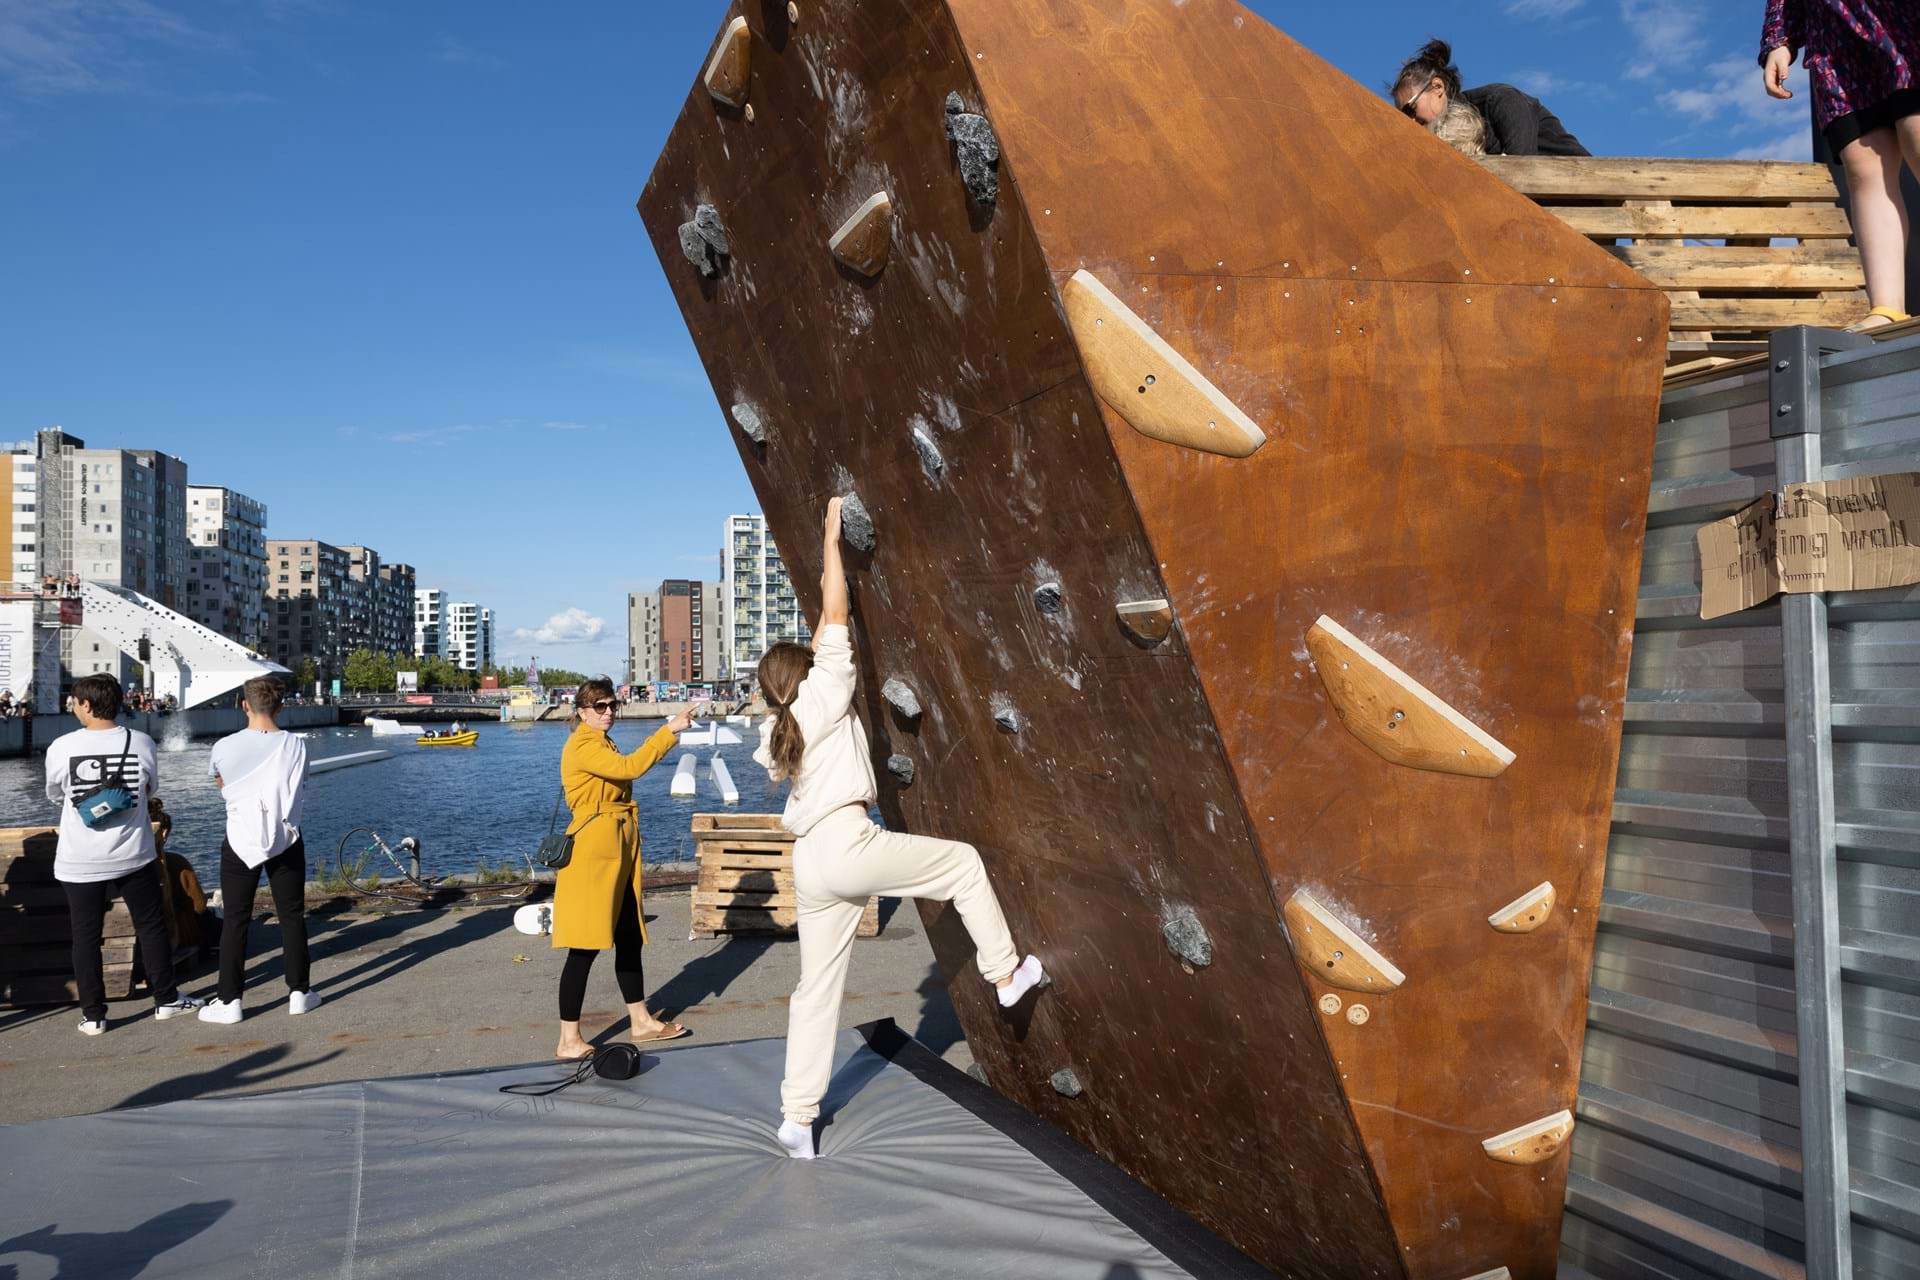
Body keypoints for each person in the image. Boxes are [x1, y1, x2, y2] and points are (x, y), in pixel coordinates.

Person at [756, 498, 1048, 1161]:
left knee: (815, 991)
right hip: (848, 843)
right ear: (805, 673)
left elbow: (820, 637)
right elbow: (835, 616)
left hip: (810, 861)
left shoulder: (781, 729)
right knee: (963, 864)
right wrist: (830, 542)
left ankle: (797, 1118)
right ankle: (1005, 974)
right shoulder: (826, 690)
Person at [42, 673, 203, 1035]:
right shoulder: (141, 741)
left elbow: (55, 794)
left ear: (86, 704)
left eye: (74, 702)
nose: (73, 707)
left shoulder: (62, 746)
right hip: (133, 854)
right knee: (151, 925)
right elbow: (150, 788)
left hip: (79, 858)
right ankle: (166, 1000)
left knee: (85, 936)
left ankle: (93, 1016)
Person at [551, 677, 697, 1061]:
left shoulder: (602, 741)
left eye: (612, 705)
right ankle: (568, 1040)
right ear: (582, 712)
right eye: (599, 706)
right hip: (594, 853)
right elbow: (630, 768)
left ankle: (641, 1020)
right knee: (584, 946)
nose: (608, 712)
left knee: (629, 936)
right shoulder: (583, 744)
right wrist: (668, 730)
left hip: (616, 847)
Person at [1763, 1, 1920, 330]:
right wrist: (1779, 40)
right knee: (1863, 164)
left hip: (1902, 20)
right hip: (1835, 35)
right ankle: (1887, 307)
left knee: (1916, 133)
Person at [200, 676, 316, 1023]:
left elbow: (221, 784)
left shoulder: (224, 746)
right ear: (280, 707)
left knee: (236, 918)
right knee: (291, 915)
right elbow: (300, 785)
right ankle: (299, 992)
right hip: (285, 836)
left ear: (244, 705)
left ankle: (229, 1001)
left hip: (241, 838)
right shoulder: (296, 745)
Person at [1392, 39, 1590, 157]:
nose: (1411, 121)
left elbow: (1523, 169)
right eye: (1403, 117)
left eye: (1410, 109)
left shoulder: (1500, 101)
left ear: (1437, 87)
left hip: (1583, 196)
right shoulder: (1444, 142)